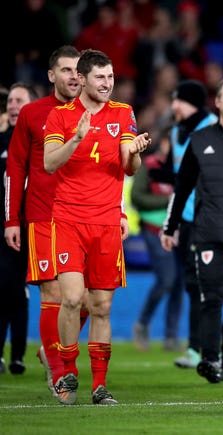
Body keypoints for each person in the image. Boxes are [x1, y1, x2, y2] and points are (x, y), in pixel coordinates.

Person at [43, 48, 151, 405]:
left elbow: (129, 166)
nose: (107, 84)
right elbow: (48, 164)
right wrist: (76, 138)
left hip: (106, 221)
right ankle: (68, 372)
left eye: (111, 78)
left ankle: (100, 385)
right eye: (100, 78)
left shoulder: (123, 113)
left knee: (101, 306)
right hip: (69, 219)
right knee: (72, 298)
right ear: (84, 79)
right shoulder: (60, 117)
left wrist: (134, 151)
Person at [4, 46, 86, 393]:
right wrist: (11, 219)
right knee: (52, 292)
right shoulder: (32, 113)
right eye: (66, 70)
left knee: (88, 300)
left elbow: (111, 170)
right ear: (51, 75)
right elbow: (16, 166)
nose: (73, 77)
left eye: (78, 71)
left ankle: (48, 348)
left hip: (88, 216)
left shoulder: (95, 112)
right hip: (44, 215)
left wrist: (119, 212)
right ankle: (58, 370)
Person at [161, 76, 223, 384]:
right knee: (210, 299)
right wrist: (170, 227)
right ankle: (210, 361)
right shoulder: (199, 140)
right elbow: (181, 187)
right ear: (218, 102)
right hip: (208, 233)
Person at [169, 79, 218, 369]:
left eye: (177, 99)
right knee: (192, 285)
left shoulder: (213, 127)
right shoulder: (178, 131)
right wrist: (171, 223)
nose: (173, 105)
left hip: (210, 220)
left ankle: (213, 350)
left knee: (211, 287)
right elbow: (179, 180)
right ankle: (195, 349)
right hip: (186, 221)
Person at [131, 128, 183, 352]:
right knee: (167, 279)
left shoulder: (183, 168)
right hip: (154, 229)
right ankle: (142, 324)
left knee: (179, 283)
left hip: (179, 231)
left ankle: (171, 336)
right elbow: (137, 197)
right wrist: (168, 200)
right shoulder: (150, 165)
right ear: (164, 143)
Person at [0, 82, 39, 375]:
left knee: (18, 290)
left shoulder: (40, 141)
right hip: (7, 226)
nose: (13, 105)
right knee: (8, 289)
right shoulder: (1, 141)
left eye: (20, 100)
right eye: (11, 100)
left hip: (31, 224)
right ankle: (9, 357)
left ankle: (17, 355)